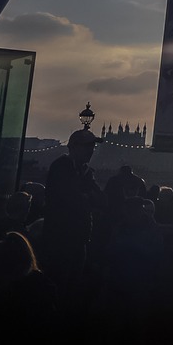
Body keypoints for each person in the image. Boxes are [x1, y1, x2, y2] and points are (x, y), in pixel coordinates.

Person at [41, 127, 103, 298]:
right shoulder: (62, 167)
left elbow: (98, 199)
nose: (91, 150)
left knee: (71, 286)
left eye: (92, 147)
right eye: (87, 146)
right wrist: (86, 197)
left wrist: (85, 196)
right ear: (73, 147)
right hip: (60, 238)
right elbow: (73, 199)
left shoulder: (85, 171)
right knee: (57, 285)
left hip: (78, 238)